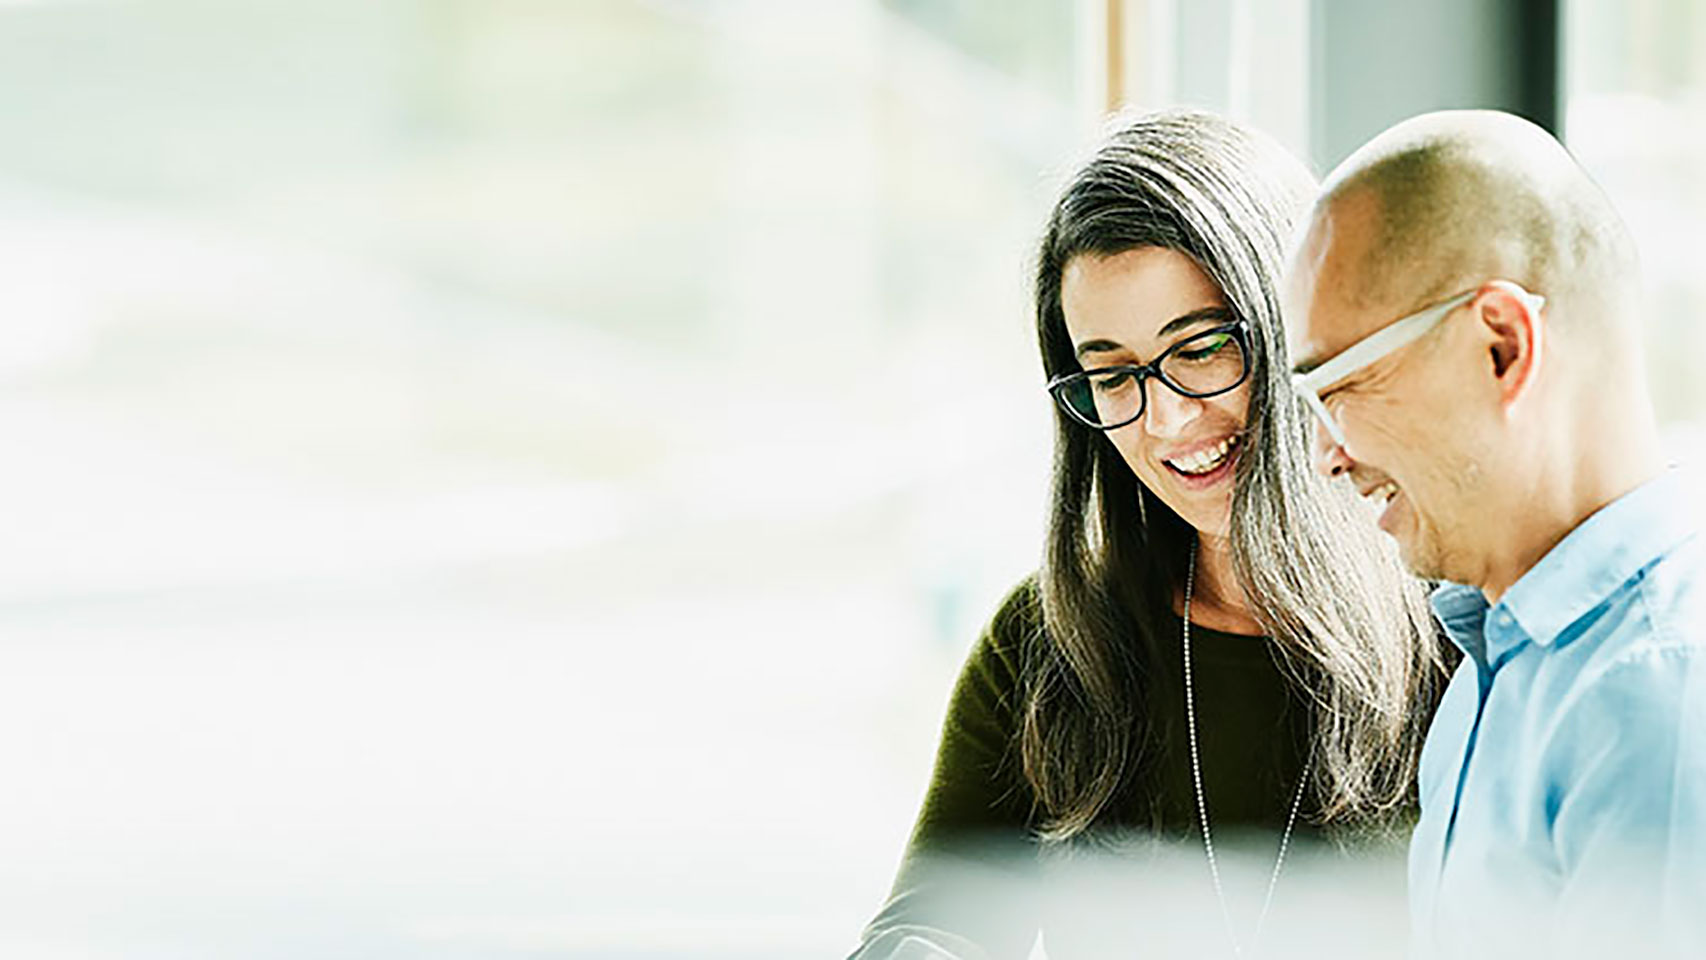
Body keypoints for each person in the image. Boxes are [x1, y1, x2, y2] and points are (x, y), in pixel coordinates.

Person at [850, 108, 1449, 960]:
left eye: (1201, 348)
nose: (1166, 421)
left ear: (1298, 331)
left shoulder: (1464, 629)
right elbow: (931, 926)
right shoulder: (1051, 643)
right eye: (1113, 374)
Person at [1283, 109, 1706, 958]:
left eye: (1339, 388)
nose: (1327, 457)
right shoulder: (1500, 661)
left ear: (1502, 347)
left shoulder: (1657, 699)